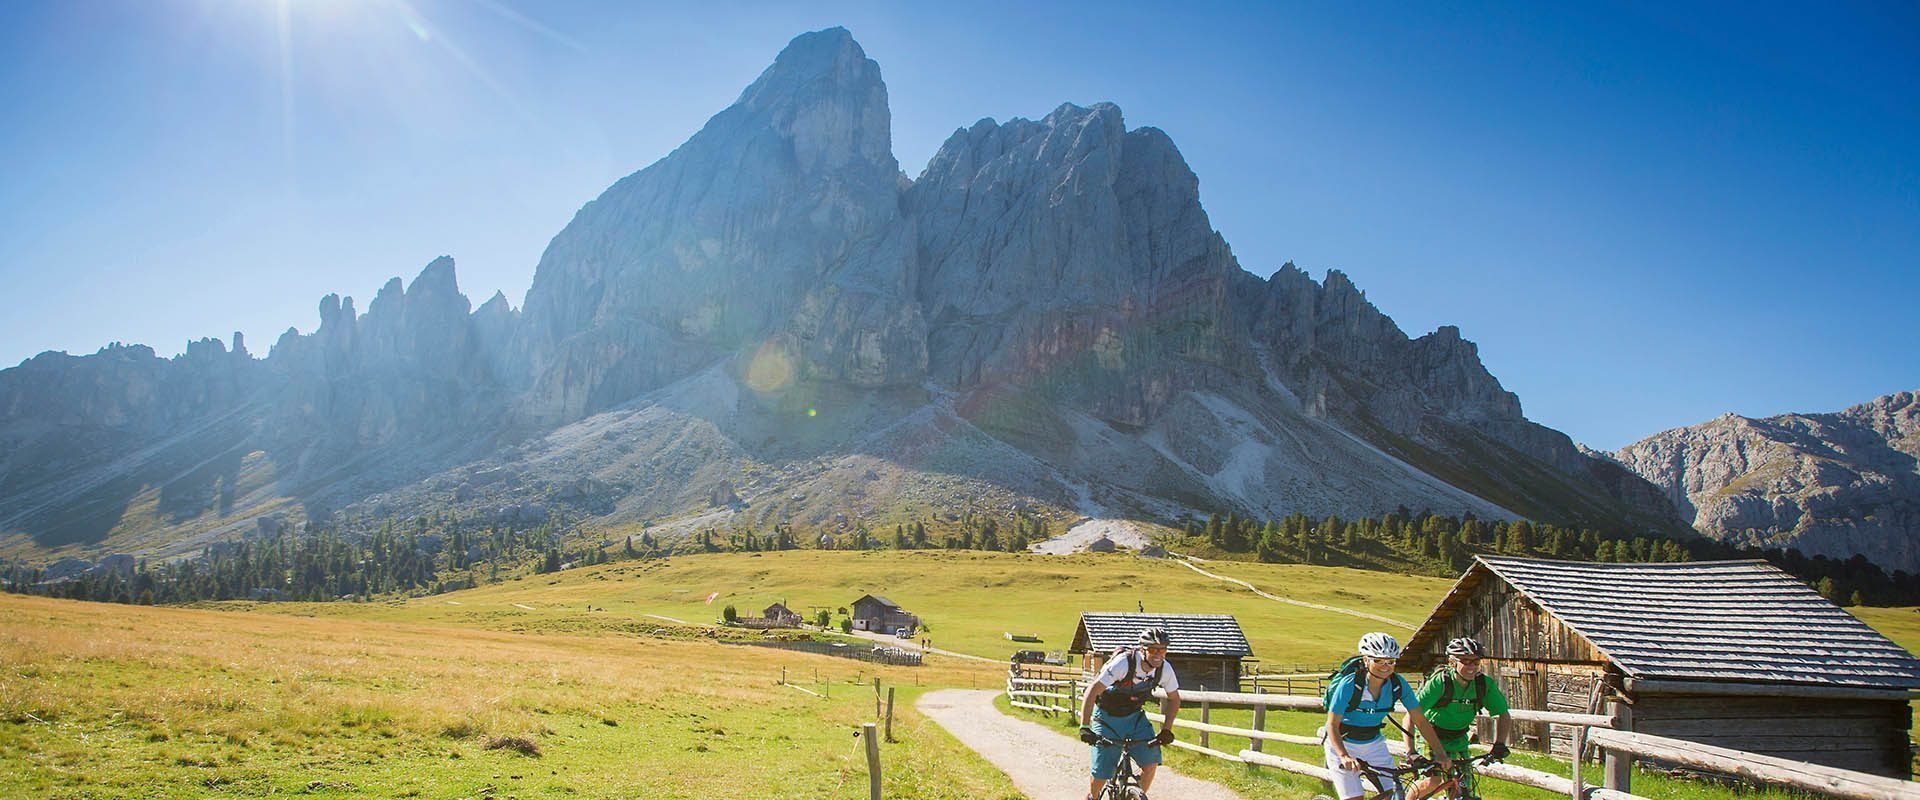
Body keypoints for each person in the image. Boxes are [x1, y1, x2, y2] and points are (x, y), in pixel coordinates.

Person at [1324, 632, 1452, 800]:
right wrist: (1344, 756)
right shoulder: (1350, 684)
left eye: (1390, 662)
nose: (1385, 666)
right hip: (1343, 744)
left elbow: (1420, 721)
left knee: (1394, 795)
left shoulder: (1397, 684)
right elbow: (1332, 725)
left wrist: (1440, 753)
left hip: (1374, 744)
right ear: (1366, 660)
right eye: (1378, 660)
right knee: (1354, 797)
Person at [1078, 627, 1181, 800]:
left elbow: (1174, 698)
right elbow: (1093, 690)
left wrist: (1166, 730)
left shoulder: (1165, 669)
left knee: (1151, 762)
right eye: (1153, 649)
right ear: (1143, 649)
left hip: (1134, 718)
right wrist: (1085, 726)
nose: (1158, 654)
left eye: (1162, 649)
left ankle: (1135, 796)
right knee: (1102, 772)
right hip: (1106, 717)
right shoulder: (1123, 663)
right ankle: (1093, 797)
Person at [1404, 637, 1512, 798]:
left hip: (1459, 739)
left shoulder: (1484, 684)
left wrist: (1500, 744)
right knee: (1433, 781)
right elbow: (1411, 716)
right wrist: (1410, 751)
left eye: (1476, 662)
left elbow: (1503, 714)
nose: (1471, 666)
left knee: (1463, 790)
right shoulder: (1440, 682)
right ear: (1452, 662)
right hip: (1430, 738)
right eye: (1466, 661)